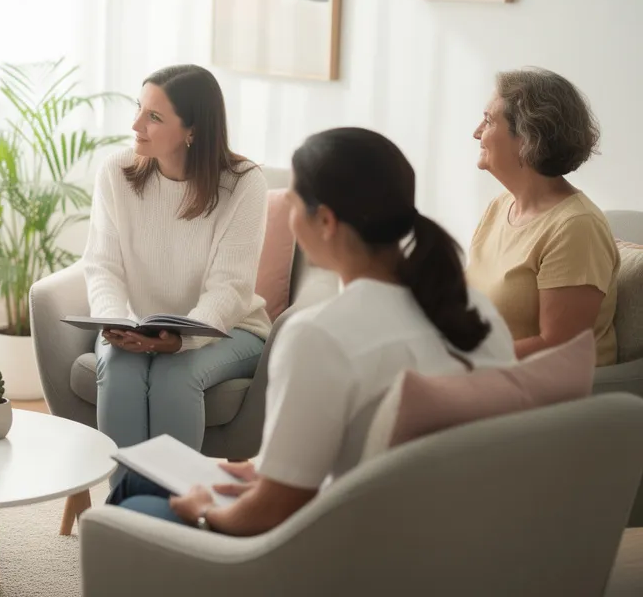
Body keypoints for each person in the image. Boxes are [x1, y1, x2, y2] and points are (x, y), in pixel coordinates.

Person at [113, 128, 516, 534]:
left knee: (131, 504)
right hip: (436, 534)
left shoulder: (317, 337)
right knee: (141, 477)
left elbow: (267, 515)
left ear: (325, 221)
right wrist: (266, 474)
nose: (288, 212)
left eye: (292, 201)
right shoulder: (476, 313)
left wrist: (203, 511)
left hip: (321, 555)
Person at [82, 64, 271, 462]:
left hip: (229, 329)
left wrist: (182, 340)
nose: (136, 124)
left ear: (193, 131)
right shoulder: (116, 173)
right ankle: (127, 510)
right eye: (139, 108)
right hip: (138, 326)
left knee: (174, 374)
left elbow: (230, 288)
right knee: (119, 369)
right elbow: (103, 266)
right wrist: (114, 323)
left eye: (153, 117)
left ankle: (174, 510)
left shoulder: (243, 183)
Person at [466, 67, 619, 367]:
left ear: (526, 138)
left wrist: (462, 360)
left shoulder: (576, 227)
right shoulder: (499, 207)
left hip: (543, 391)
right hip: (488, 371)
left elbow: (558, 348)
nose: (476, 132)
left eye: (488, 120)